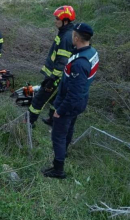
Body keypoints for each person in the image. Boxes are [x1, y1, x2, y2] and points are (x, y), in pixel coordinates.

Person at [42, 23, 99, 179]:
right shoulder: (91, 52)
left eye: (73, 34)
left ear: (76, 37)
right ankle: (64, 152)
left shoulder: (79, 64)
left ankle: (58, 169)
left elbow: (74, 93)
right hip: (80, 100)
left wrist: (60, 110)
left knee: (58, 135)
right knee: (69, 127)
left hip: (71, 102)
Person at [28, 6, 76, 128]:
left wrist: (52, 80)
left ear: (65, 20)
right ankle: (52, 119)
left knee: (39, 99)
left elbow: (62, 62)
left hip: (55, 77)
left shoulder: (66, 37)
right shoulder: (66, 32)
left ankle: (29, 122)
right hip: (58, 76)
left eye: (57, 19)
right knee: (56, 100)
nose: (55, 21)